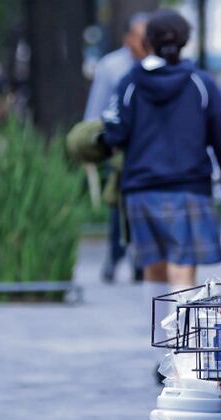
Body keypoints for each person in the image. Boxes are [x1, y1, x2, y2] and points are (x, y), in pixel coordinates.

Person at [101, 10, 221, 383]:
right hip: (188, 188)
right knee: (182, 271)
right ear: (186, 41)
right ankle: (182, 352)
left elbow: (114, 133)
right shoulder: (200, 83)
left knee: (153, 272)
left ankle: (161, 352)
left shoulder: (130, 82)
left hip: (141, 190)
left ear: (147, 43)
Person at [85, 12, 149, 284]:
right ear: (127, 37)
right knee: (118, 201)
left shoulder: (154, 64)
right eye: (140, 35)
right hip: (121, 147)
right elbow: (97, 108)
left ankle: (139, 260)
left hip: (148, 147)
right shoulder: (111, 66)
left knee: (142, 204)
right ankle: (115, 254)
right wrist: (92, 142)